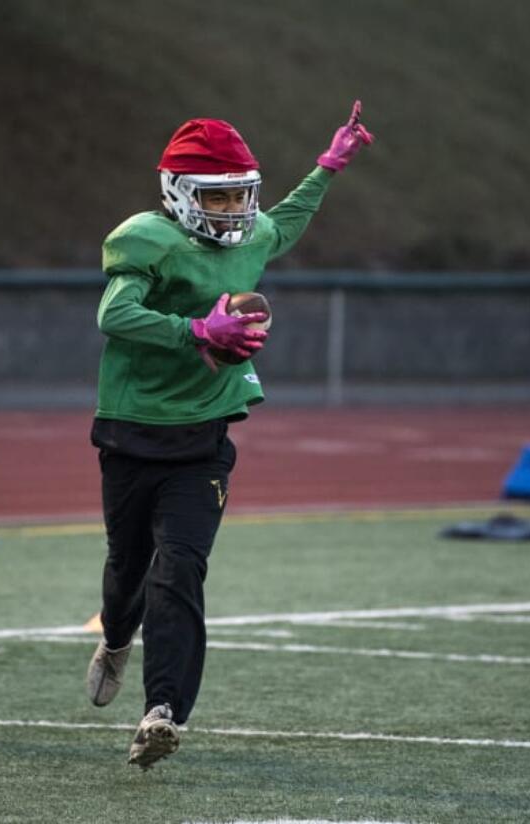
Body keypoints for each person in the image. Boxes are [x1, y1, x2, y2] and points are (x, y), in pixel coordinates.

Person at [85, 103, 373, 769]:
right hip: (132, 430)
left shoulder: (250, 235)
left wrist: (327, 168)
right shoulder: (146, 239)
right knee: (125, 574)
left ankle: (163, 711)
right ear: (180, 194)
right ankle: (116, 640)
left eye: (243, 194)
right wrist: (194, 331)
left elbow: (286, 222)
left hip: (204, 437)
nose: (236, 211)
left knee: (179, 568)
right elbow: (114, 312)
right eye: (219, 197)